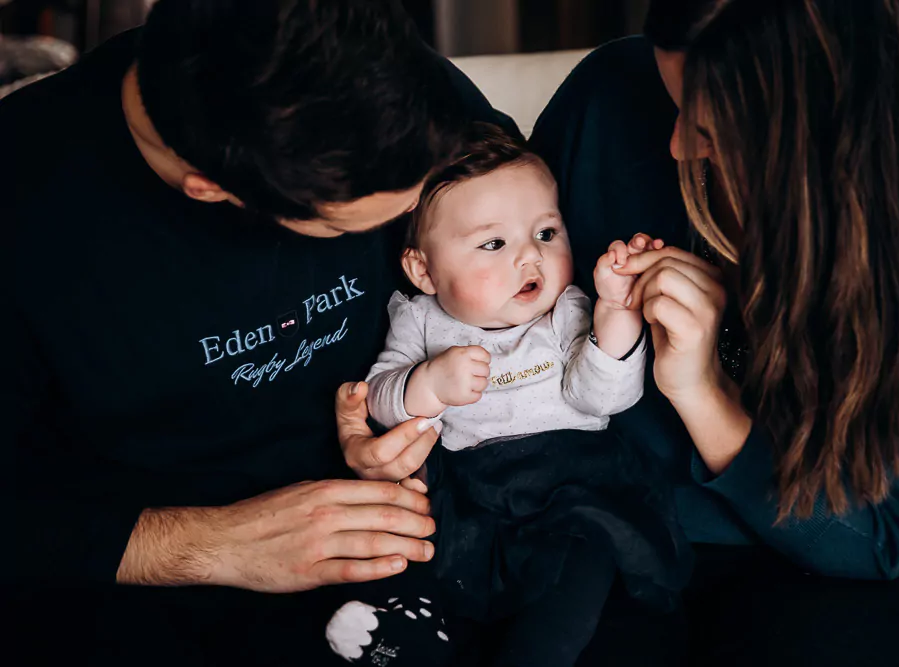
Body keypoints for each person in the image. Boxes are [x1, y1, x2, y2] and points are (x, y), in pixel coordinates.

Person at [3, 1, 515, 664]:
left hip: (435, 533)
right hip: (159, 589)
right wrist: (205, 542)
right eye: (347, 228)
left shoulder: (411, 91)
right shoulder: (24, 201)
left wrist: (410, 413)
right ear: (211, 191)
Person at [527, 0, 899, 665]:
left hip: (831, 569)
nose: (678, 145)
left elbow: (883, 532)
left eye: (715, 131)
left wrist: (702, 391)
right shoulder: (609, 99)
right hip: (600, 539)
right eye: (675, 102)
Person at [359, 123, 687, 666]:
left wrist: (616, 315)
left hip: (572, 477)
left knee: (579, 561)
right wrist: (426, 385)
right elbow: (378, 396)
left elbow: (601, 398)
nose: (530, 258)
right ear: (424, 270)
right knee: (424, 553)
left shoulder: (566, 311)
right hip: (472, 488)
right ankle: (410, 628)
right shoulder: (419, 322)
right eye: (493, 243)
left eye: (546, 233)